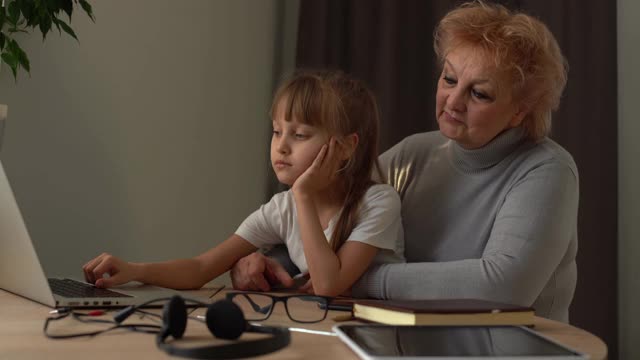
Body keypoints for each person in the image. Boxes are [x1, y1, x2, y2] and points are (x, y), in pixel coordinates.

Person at [230, 1, 578, 322]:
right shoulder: (414, 154)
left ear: (520, 111)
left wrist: (356, 278)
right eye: (450, 79)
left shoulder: (546, 171)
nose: (453, 101)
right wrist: (263, 264)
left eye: (479, 93)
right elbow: (325, 224)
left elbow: (502, 287)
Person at [82, 70, 404, 297]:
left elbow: (328, 284)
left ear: (345, 147)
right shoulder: (284, 208)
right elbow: (201, 267)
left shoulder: (378, 202)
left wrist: (302, 194)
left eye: (300, 134)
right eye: (277, 131)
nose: (281, 146)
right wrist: (136, 271)